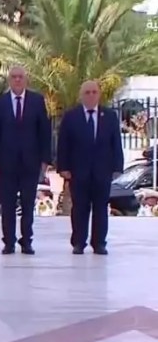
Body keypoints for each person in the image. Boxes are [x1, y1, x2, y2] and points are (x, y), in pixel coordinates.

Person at [0, 65, 51, 255]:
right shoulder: (0, 103)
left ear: (26, 79)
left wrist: (45, 159)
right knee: (7, 205)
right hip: (6, 164)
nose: (17, 80)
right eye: (14, 77)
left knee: (27, 204)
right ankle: (8, 242)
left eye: (20, 77)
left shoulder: (37, 101)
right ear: (9, 80)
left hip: (30, 162)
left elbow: (44, 132)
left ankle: (26, 241)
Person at [56, 80, 123, 255]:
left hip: (102, 171)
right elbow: (63, 144)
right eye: (87, 92)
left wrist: (117, 167)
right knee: (80, 208)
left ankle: (99, 243)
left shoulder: (109, 116)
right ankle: (79, 242)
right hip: (78, 172)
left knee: (101, 208)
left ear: (99, 94)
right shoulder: (71, 117)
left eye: (94, 92)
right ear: (81, 96)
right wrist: (63, 167)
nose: (91, 95)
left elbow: (116, 143)